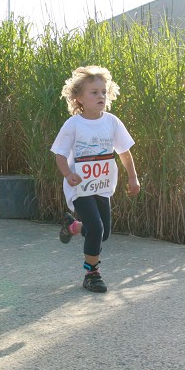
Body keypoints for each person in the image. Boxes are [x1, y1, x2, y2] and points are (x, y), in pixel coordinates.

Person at [50, 66, 140, 293]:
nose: (101, 96)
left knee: (103, 232)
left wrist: (133, 178)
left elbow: (124, 152)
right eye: (94, 92)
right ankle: (92, 274)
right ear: (78, 98)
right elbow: (60, 154)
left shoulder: (112, 122)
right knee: (97, 228)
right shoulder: (73, 124)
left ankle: (72, 226)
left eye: (104, 92)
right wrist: (68, 174)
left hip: (103, 186)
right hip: (79, 186)